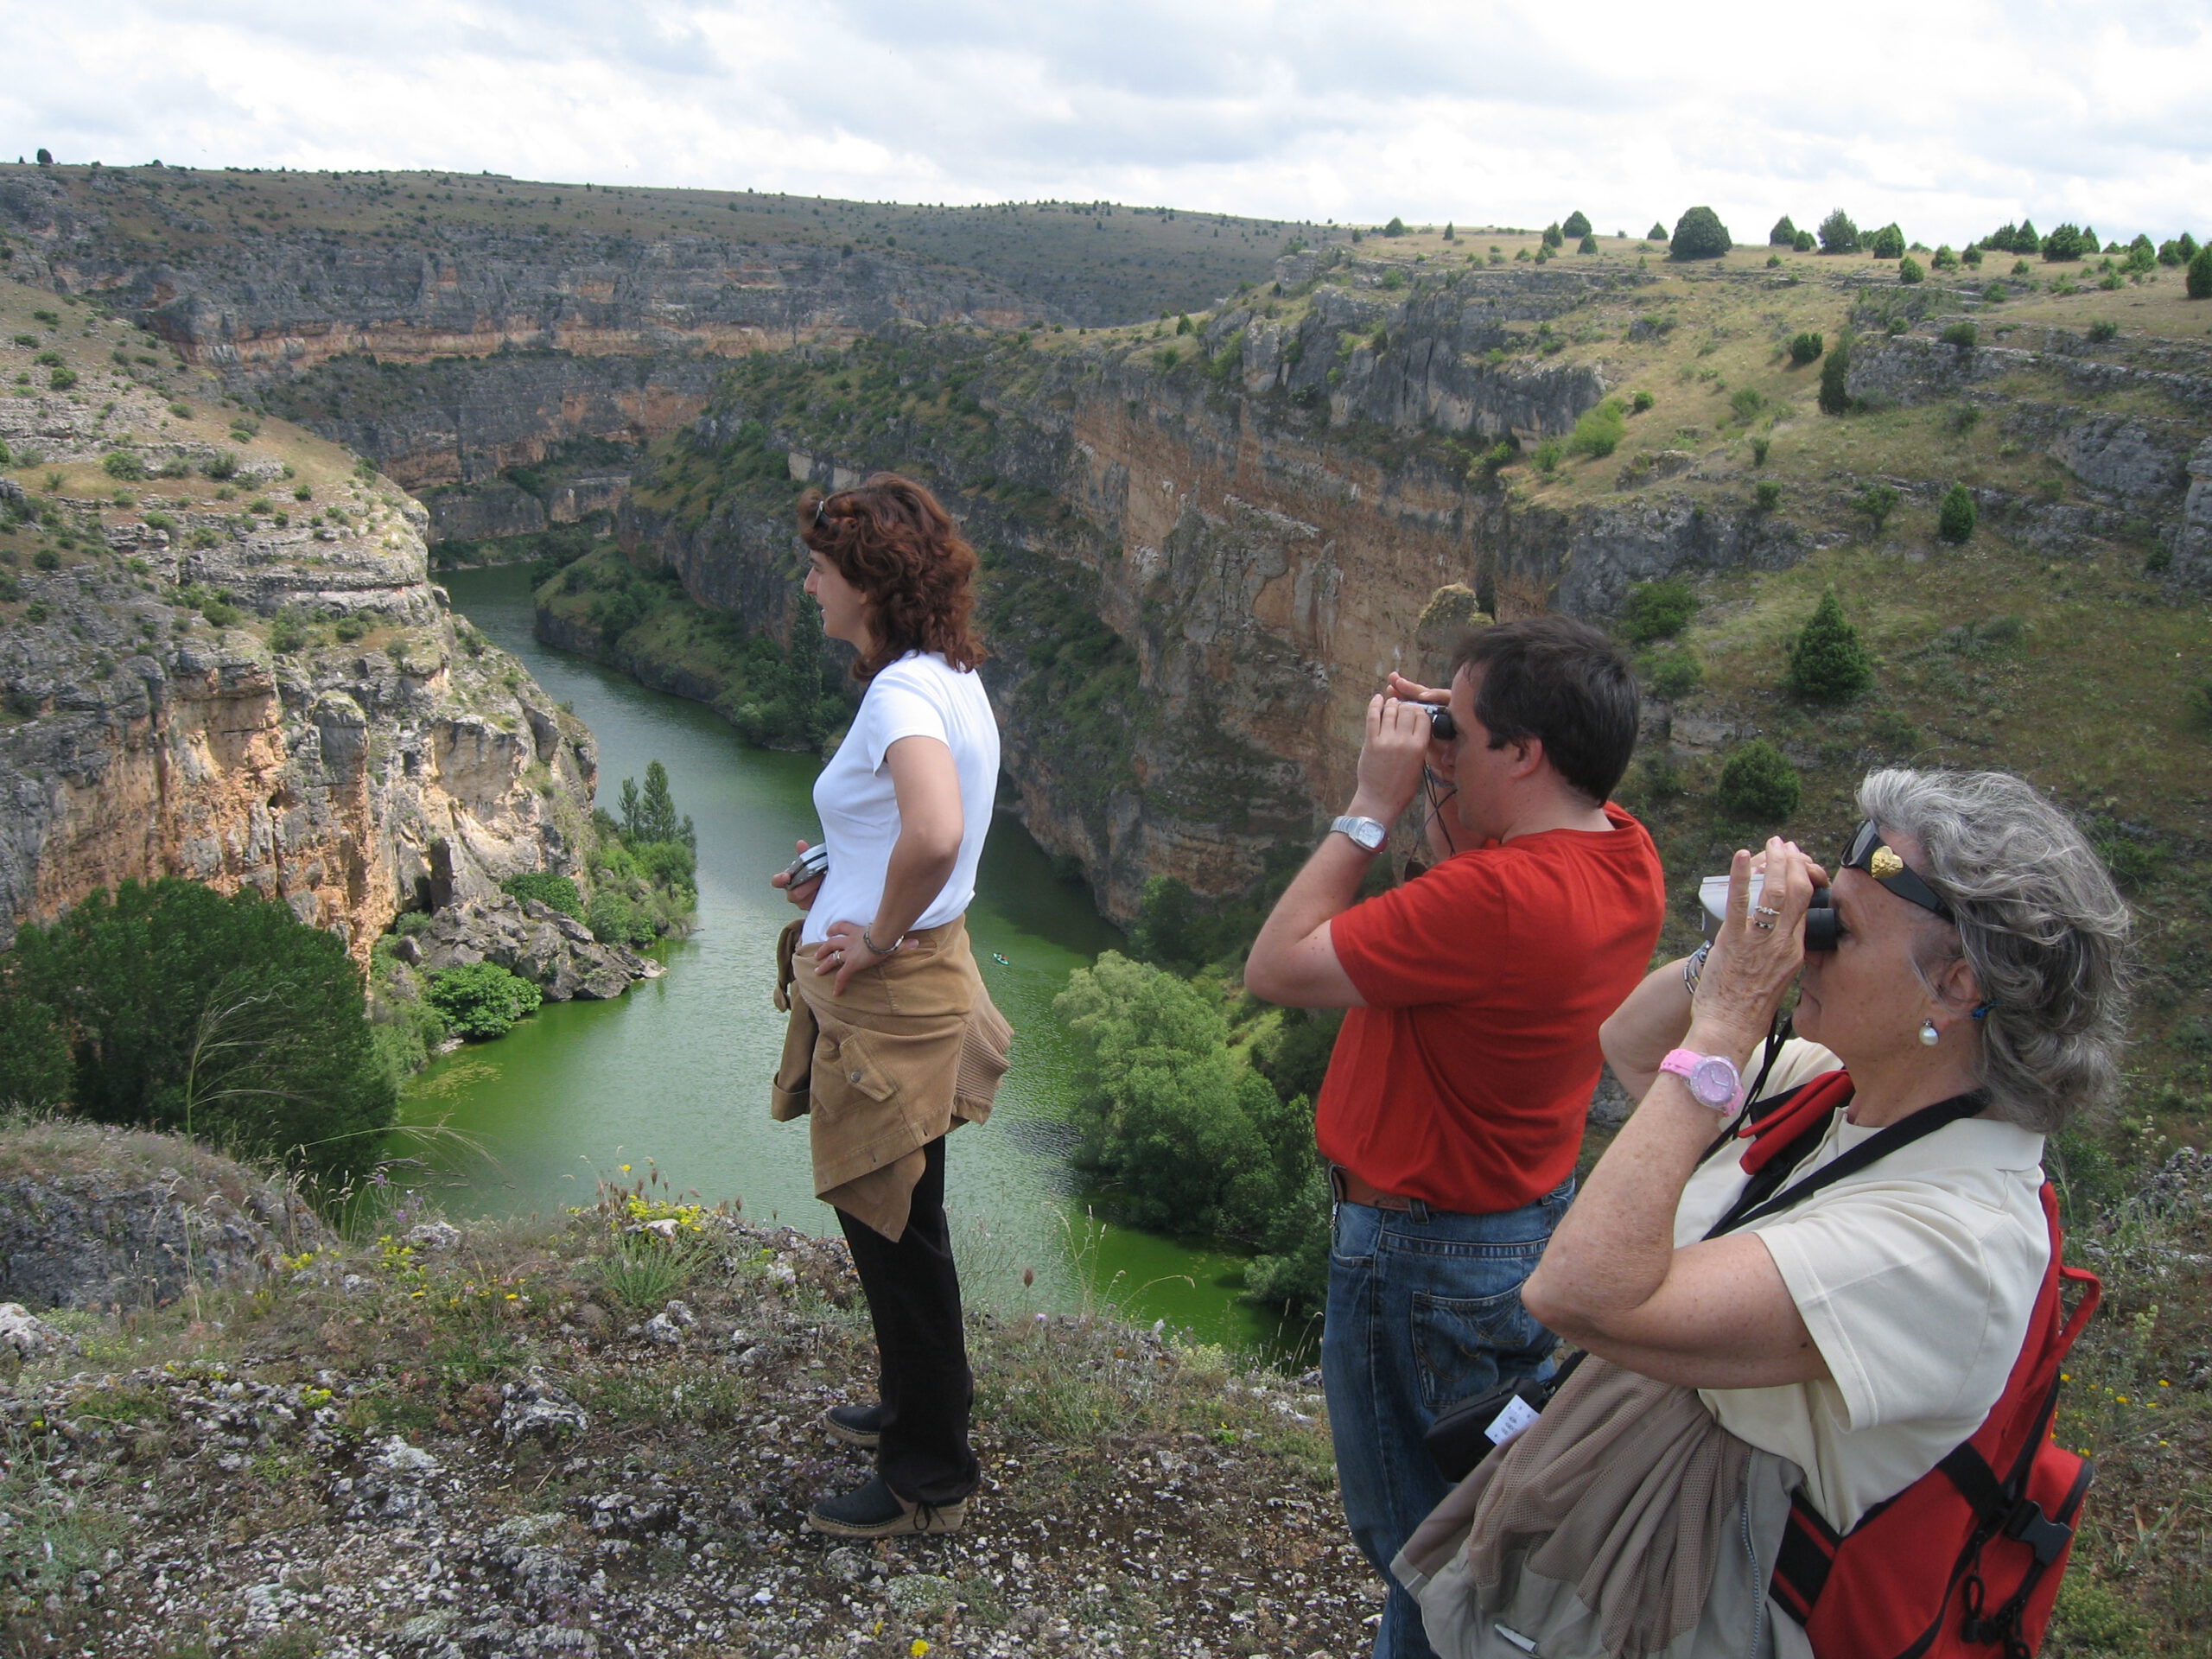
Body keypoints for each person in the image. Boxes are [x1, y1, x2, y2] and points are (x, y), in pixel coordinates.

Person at [1396, 769, 2130, 1657]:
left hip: (1688, 1606)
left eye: (1838, 931)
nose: (1806, 949)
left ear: (1954, 987)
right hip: (1597, 1545)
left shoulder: (1955, 1244)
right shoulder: (1828, 1090)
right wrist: (1733, 957)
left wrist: (1732, 1017)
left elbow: (1579, 1292)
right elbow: (1629, 1044)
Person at [1243, 614, 1666, 1659]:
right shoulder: (1624, 853)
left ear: (1523, 753)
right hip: (1511, 1237)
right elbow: (1494, 846)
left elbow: (1278, 966)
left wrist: (1367, 807)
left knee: (1422, 1550)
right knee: (1469, 1519)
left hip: (1416, 1257)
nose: (1446, 741)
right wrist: (1457, 747)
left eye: (1463, 729)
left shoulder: (1496, 901)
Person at [767, 473, 1011, 1538]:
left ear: (865, 583)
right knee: (909, 1222)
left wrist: (867, 934)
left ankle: (929, 1477)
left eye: (819, 569)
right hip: (926, 973)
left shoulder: (901, 696)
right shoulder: (948, 676)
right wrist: (838, 867)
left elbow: (938, 832)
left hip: (890, 992)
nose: (808, 583)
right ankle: (918, 1408)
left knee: (895, 1231)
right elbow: (905, 830)